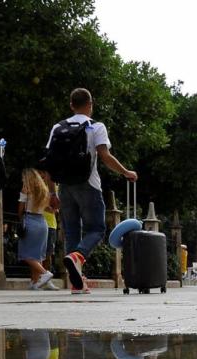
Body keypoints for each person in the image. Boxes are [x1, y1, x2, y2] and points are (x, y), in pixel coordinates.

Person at [49, 88, 137, 295]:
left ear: (71, 105)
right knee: (97, 229)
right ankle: (78, 256)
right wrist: (126, 172)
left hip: (65, 186)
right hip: (88, 183)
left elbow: (50, 162)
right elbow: (105, 156)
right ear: (90, 104)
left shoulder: (58, 127)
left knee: (71, 231)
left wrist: (53, 193)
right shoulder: (96, 126)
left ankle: (76, 283)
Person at [17, 168, 58, 290]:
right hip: (43, 223)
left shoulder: (26, 190)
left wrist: (21, 219)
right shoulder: (44, 191)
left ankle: (45, 273)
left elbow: (20, 209)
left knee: (25, 254)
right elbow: (49, 209)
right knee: (37, 255)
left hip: (30, 221)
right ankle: (35, 283)